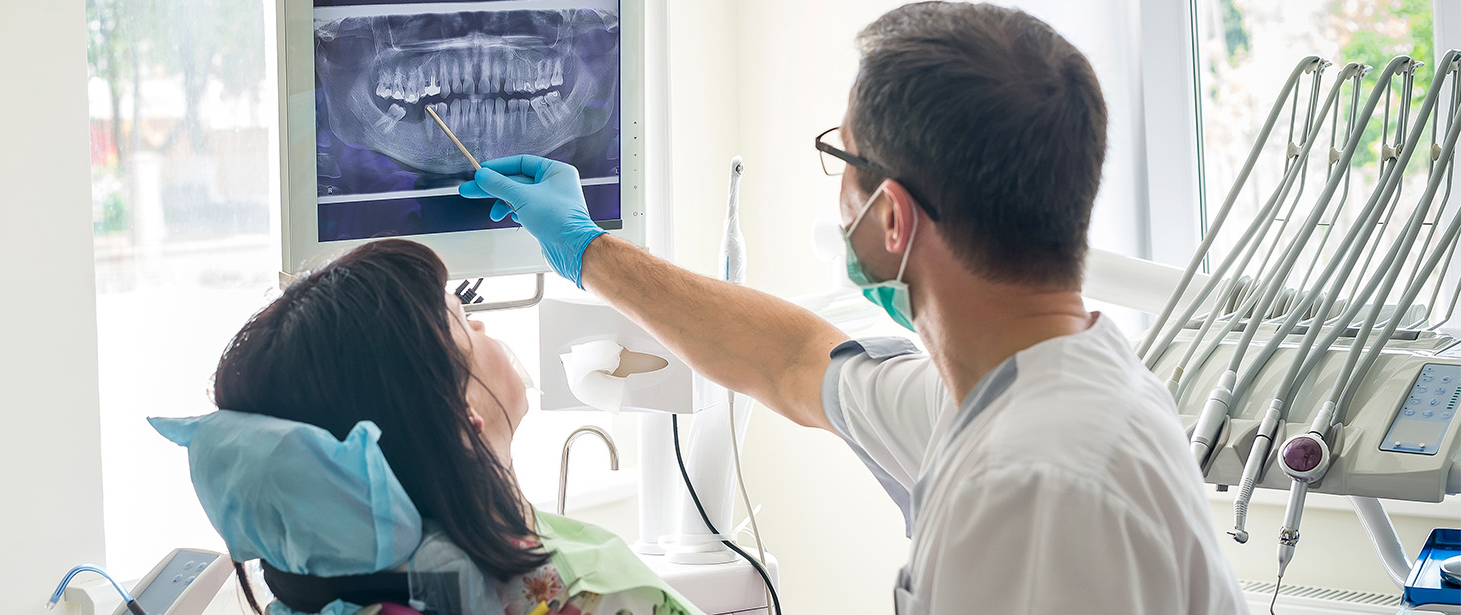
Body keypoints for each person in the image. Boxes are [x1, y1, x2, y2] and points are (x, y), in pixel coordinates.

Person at [457, 2, 1246, 614]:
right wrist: (588, 248)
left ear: (894, 218)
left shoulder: (1029, 485)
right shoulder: (1024, 387)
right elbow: (793, 360)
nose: (836, 192)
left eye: (841, 156)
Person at [155, 239, 703, 615]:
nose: (484, 322)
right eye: (462, 321)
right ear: (460, 418)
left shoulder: (325, 594)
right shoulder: (591, 595)